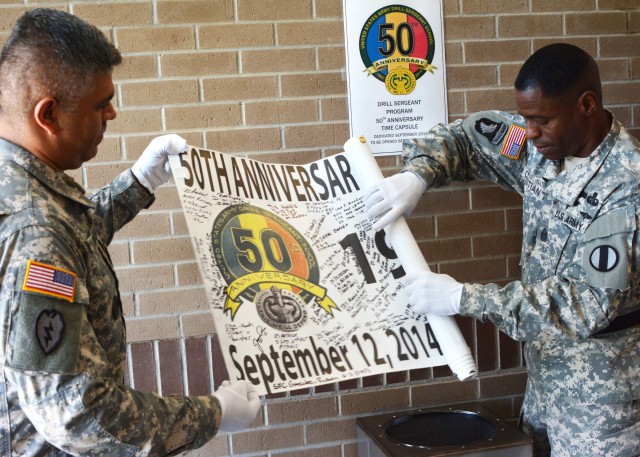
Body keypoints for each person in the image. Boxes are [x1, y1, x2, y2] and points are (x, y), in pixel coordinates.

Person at [0, 8, 260, 456]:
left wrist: (139, 182)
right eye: (100, 104)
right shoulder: (33, 232)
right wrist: (213, 412)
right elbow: (78, 415)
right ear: (48, 114)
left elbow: (72, 237)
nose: (112, 114)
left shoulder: (22, 186)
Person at [365, 43, 640, 456]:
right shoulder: (544, 144)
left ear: (586, 105)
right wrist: (416, 176)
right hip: (546, 377)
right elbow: (467, 139)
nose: (529, 132)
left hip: (601, 396)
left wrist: (463, 297)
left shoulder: (624, 186)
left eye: (541, 119)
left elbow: (585, 303)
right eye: (526, 118)